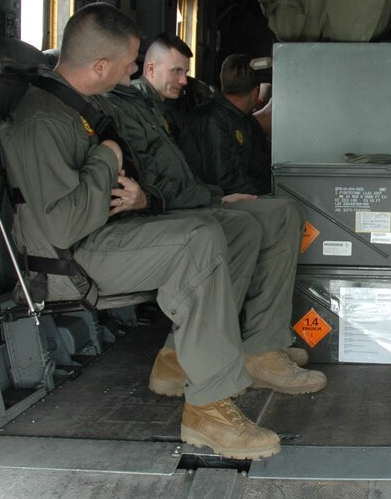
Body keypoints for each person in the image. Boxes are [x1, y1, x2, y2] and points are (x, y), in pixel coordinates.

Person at [0, 4, 310, 461]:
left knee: (239, 228)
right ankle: (206, 409)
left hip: (112, 233)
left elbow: (136, 178)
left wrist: (144, 196)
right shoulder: (45, 120)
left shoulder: (88, 105)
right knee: (200, 239)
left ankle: (217, 355)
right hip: (75, 258)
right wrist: (106, 158)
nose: (134, 70)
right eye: (129, 64)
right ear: (101, 66)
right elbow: (63, 223)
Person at [110, 34, 313, 368]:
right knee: (253, 224)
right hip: (170, 210)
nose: (183, 80)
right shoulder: (130, 109)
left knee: (284, 214)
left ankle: (259, 344)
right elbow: (152, 186)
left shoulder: (163, 109)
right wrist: (217, 195)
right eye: (176, 71)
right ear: (150, 68)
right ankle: (189, 353)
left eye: (184, 73)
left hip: (192, 199)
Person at [180, 53, 273, 195]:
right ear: (256, 93)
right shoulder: (212, 121)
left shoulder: (242, 119)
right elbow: (224, 182)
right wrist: (271, 191)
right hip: (224, 201)